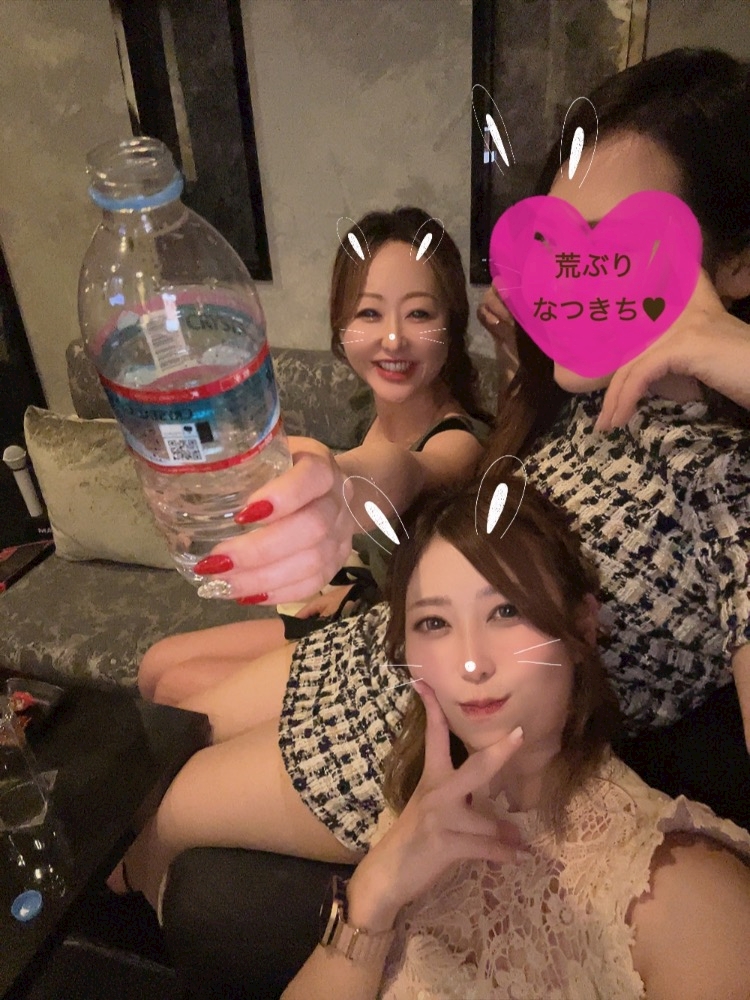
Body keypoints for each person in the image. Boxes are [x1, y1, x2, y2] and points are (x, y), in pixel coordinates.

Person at [119, 47, 750, 910]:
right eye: (562, 248)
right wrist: (343, 484)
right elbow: (414, 465)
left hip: (426, 732)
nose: (575, 283)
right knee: (171, 740)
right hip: (380, 649)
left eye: (619, 249)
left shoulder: (728, 481)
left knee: (173, 815)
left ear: (738, 263)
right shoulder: (589, 401)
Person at [280, 478, 750, 1000]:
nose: (472, 663)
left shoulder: (677, 895)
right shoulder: (414, 814)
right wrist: (371, 895)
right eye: (434, 622)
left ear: (583, 626)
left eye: (506, 612)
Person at [137, 207, 492, 706]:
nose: (393, 338)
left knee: (178, 688)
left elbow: (407, 471)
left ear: (450, 326)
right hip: (360, 607)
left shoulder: (460, 440)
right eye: (369, 313)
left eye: (419, 313)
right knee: (156, 664)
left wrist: (338, 478)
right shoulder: (367, 411)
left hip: (395, 648)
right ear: (340, 326)